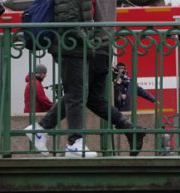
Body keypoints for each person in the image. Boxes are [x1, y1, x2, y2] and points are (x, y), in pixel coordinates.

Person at [24, 0, 147, 157]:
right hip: (99, 45)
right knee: (82, 94)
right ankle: (50, 132)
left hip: (93, 45)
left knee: (82, 94)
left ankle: (44, 130)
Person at [23, 0, 96, 158]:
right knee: (76, 94)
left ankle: (40, 130)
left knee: (75, 93)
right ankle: (74, 143)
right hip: (70, 46)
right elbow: (68, 19)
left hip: (72, 45)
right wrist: (87, 41)